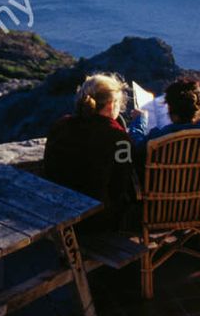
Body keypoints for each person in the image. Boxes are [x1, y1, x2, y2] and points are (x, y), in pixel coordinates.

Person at [43, 73, 137, 233]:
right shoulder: (118, 137)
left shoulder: (61, 125)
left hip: (58, 213)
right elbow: (122, 185)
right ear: (110, 104)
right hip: (96, 220)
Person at [129, 77, 200, 166]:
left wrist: (139, 121)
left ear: (170, 109)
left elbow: (137, 148)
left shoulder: (160, 137)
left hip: (165, 183)